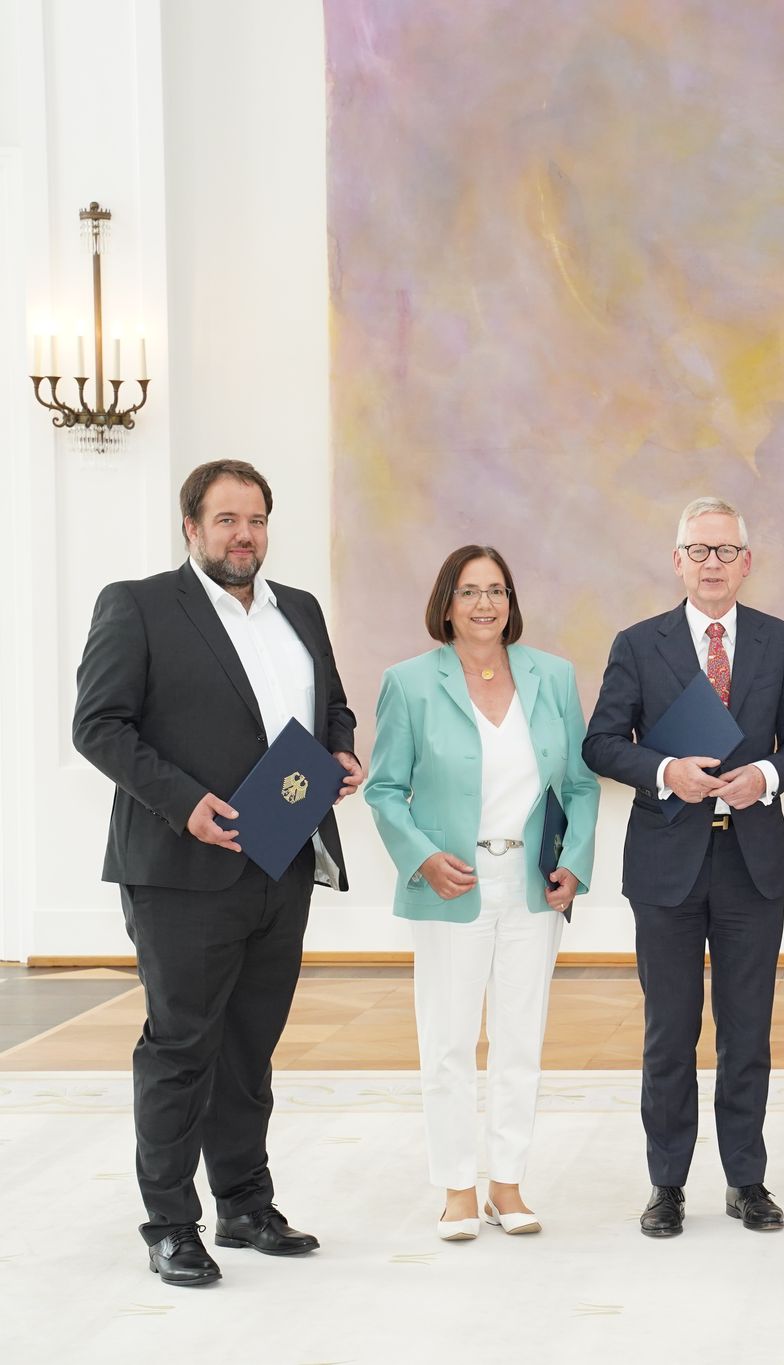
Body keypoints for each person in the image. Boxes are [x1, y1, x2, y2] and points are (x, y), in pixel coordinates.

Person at [73, 460, 363, 1287]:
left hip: (284, 851)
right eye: (228, 519)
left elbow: (330, 703)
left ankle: (243, 1201)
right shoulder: (137, 605)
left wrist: (340, 746)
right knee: (181, 1044)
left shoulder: (298, 610)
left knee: (250, 1044)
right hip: (180, 865)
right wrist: (185, 801)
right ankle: (170, 1222)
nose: (245, 535)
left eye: (258, 519)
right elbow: (98, 725)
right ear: (192, 527)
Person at [583, 497, 784, 1236]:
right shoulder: (637, 642)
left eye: (726, 550)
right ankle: (667, 1183)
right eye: (699, 549)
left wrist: (769, 778)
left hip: (752, 862)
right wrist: (663, 772)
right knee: (668, 1032)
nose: (712, 563)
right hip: (666, 864)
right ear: (677, 559)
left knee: (747, 1032)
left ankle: (747, 1180)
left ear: (746, 562)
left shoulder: (780, 641)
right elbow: (600, 742)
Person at [364, 546, 599, 1240]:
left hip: (532, 885)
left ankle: (507, 1184)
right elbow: (383, 789)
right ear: (446, 603)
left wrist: (575, 862)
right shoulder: (408, 683)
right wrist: (423, 857)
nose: (485, 603)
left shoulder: (551, 676)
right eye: (470, 591)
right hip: (451, 883)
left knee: (520, 1039)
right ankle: (457, 1187)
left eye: (496, 589)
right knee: (448, 1040)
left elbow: (580, 784)